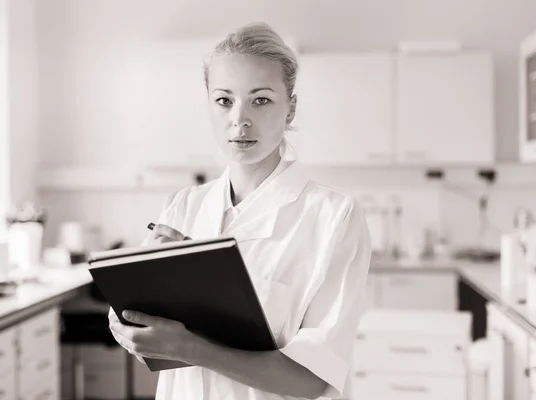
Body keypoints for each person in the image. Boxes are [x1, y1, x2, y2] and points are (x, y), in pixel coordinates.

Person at [109, 21, 372, 400]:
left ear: (290, 108)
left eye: (261, 99)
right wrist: (130, 308)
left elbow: (313, 380)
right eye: (224, 100)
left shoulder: (334, 217)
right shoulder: (182, 206)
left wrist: (187, 346)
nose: (239, 119)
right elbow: (145, 338)